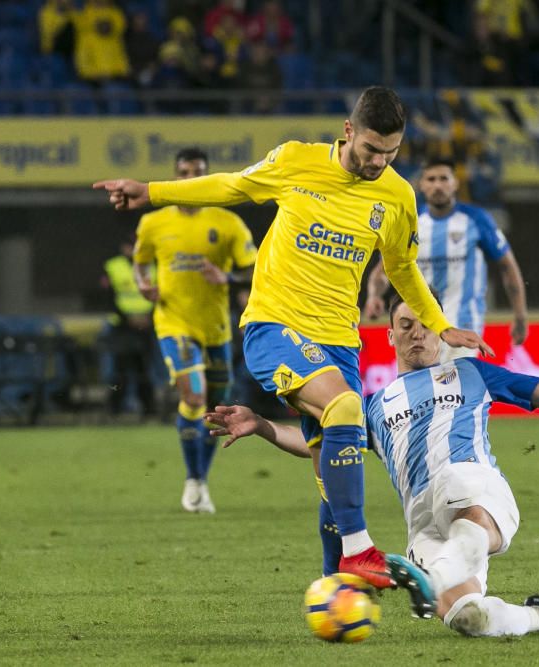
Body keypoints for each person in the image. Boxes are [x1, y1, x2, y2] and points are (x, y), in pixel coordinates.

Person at [93, 86, 491, 599]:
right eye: (371, 149)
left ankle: (337, 590)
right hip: (275, 325)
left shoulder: (396, 195)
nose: (378, 162)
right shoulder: (296, 161)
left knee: (332, 467)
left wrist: (440, 323)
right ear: (348, 132)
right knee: (346, 407)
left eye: (390, 153)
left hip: (339, 341)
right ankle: (359, 550)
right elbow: (232, 186)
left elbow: (401, 267)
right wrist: (152, 192)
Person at [208, 292, 539, 635]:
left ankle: (432, 572)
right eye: (406, 325)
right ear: (389, 336)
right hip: (422, 519)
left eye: (427, 324)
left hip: (472, 484)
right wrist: (264, 426)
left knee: (464, 511)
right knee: (470, 620)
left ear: (442, 332)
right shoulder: (370, 405)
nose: (418, 334)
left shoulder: (472, 373)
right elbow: (324, 447)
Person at [132, 148, 257, 513]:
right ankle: (193, 478)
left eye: (197, 171)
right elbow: (140, 263)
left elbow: (254, 269)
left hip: (215, 327)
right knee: (193, 394)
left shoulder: (227, 222)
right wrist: (143, 284)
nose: (191, 178)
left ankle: (200, 481)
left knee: (217, 409)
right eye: (184, 172)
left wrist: (227, 277)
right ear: (175, 176)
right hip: (174, 322)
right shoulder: (153, 222)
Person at [364, 157, 527, 364]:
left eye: (444, 179)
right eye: (431, 179)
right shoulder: (410, 221)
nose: (438, 185)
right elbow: (384, 269)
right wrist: (374, 296)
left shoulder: (477, 219)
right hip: (421, 321)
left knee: (453, 379)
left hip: (464, 319)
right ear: (421, 185)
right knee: (427, 381)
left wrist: (520, 315)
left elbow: (507, 266)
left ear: (455, 183)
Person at [101, 235, 156, 419]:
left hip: (145, 327)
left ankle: (149, 409)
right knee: (120, 370)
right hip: (121, 327)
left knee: (144, 370)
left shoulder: (152, 266)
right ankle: (114, 410)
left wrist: (149, 317)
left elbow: (160, 293)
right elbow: (107, 297)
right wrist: (127, 319)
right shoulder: (113, 266)